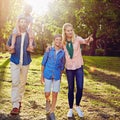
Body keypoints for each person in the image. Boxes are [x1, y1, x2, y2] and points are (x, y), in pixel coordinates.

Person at [62, 23, 93, 118]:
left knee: (80, 87)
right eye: (68, 30)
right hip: (69, 67)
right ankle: (70, 108)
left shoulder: (77, 39)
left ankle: (78, 106)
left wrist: (88, 39)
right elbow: (55, 46)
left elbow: (84, 41)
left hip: (78, 66)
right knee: (71, 88)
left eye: (71, 30)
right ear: (65, 32)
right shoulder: (63, 42)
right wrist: (48, 48)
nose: (70, 32)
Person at [6, 16, 34, 115]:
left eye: (24, 22)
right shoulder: (14, 34)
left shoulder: (29, 34)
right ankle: (15, 105)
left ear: (26, 24)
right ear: (18, 23)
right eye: (21, 22)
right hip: (15, 61)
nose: (23, 23)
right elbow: (8, 45)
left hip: (25, 61)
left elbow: (33, 47)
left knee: (22, 83)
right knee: (15, 82)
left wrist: (31, 47)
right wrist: (10, 48)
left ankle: (19, 99)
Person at [41, 34, 65, 120]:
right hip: (47, 73)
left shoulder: (63, 53)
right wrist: (41, 75)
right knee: (47, 93)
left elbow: (62, 65)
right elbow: (43, 63)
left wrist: (61, 76)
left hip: (57, 75)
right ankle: (47, 100)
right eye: (57, 39)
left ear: (61, 41)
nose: (58, 41)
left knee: (55, 93)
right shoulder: (49, 50)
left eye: (60, 40)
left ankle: (52, 110)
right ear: (54, 40)